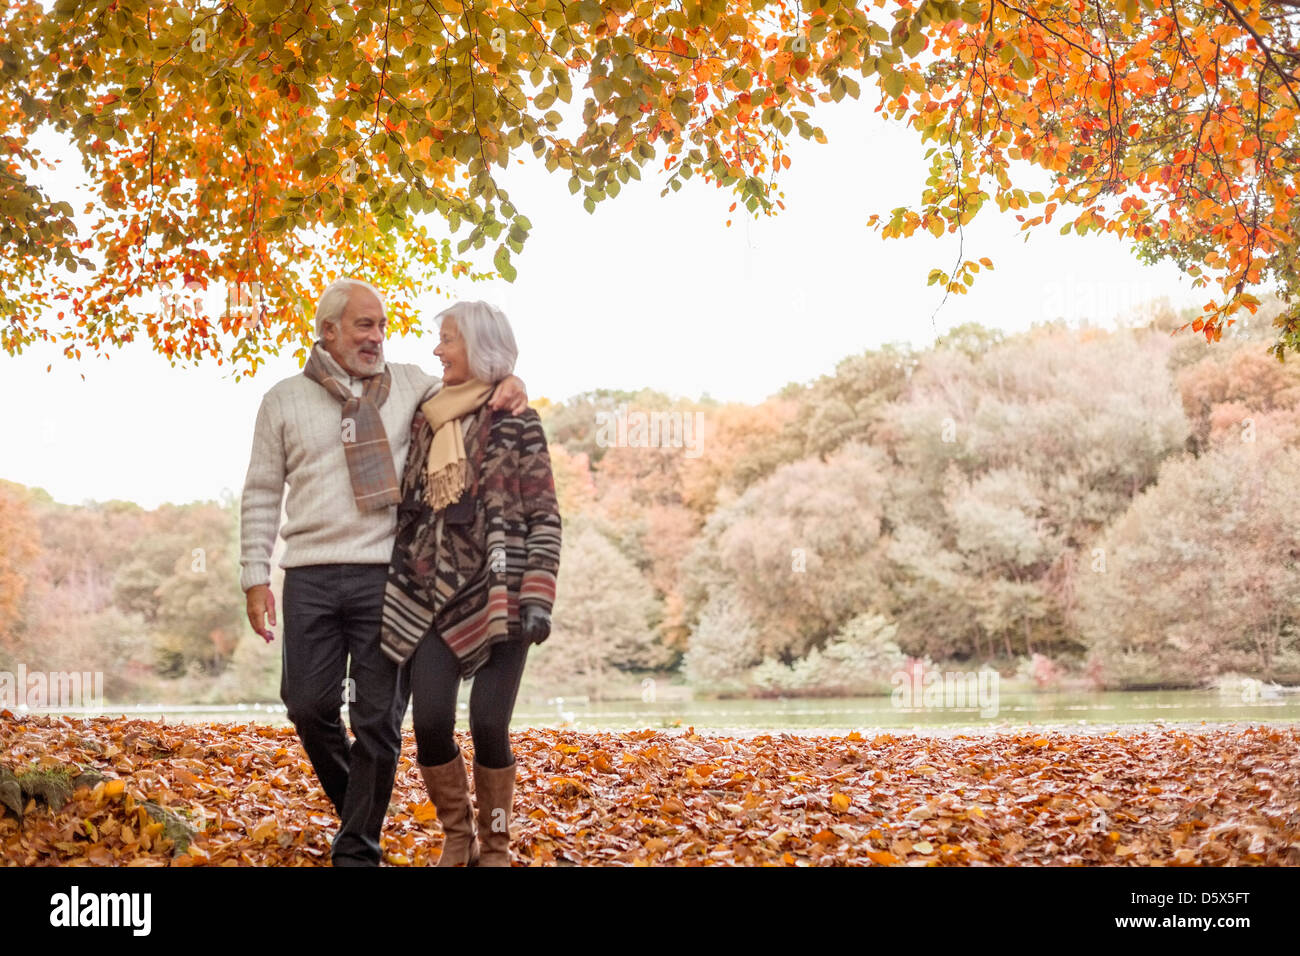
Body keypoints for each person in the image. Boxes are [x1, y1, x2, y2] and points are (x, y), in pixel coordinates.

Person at [239, 278, 529, 866]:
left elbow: (472, 384)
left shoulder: (410, 386)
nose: (377, 338)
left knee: (377, 718)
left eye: (381, 326)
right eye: (363, 325)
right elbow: (262, 492)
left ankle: (358, 849)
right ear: (328, 331)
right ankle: (360, 808)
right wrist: (253, 575)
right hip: (310, 575)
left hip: (387, 578)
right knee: (307, 706)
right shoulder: (283, 400)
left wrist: (512, 382)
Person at [380, 299, 562, 867]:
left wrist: (538, 595)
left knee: (489, 722)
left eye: (449, 339)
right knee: (430, 721)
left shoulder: (517, 420)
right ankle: (458, 834)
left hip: (502, 597)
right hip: (431, 596)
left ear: (480, 348)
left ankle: (498, 842)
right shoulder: (423, 413)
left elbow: (544, 515)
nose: (437, 350)